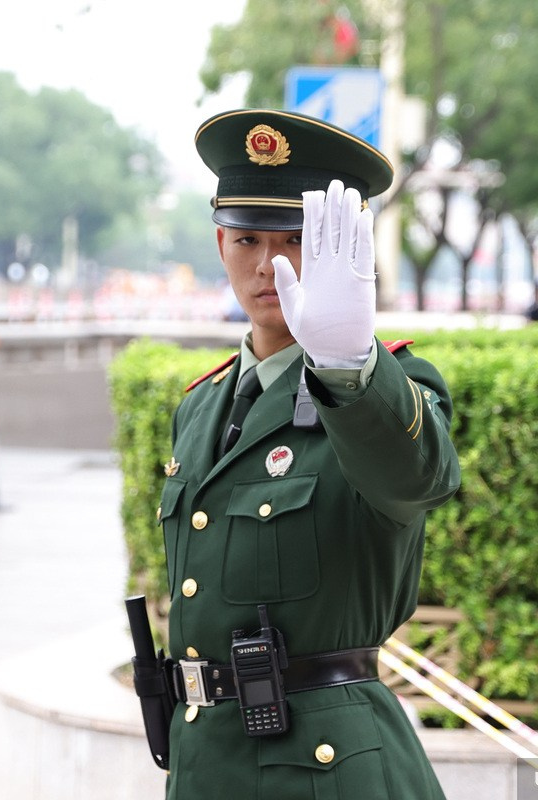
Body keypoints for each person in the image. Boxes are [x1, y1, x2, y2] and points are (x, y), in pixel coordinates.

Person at [151, 109, 461, 799]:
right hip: (208, 760)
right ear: (220, 240)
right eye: (246, 239)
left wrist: (350, 365)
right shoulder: (201, 406)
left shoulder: (384, 387)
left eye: (295, 240)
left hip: (327, 767)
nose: (267, 265)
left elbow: (421, 479)